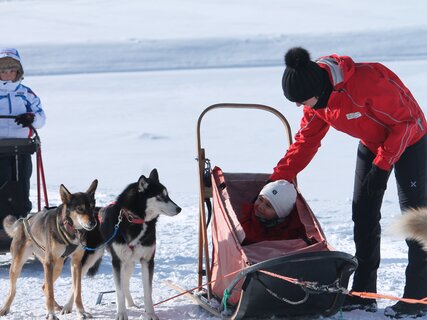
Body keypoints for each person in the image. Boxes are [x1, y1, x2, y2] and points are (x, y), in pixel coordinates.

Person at [268, 46, 427, 318]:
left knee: (415, 219)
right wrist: (278, 178)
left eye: (301, 100)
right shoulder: (317, 103)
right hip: (372, 143)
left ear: (317, 90)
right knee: (362, 214)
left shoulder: (366, 83)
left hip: (410, 141)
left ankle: (418, 298)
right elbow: (306, 142)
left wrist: (381, 167)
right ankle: (364, 293)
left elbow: (408, 122)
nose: (298, 106)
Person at [0, 48, 46, 227]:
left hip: (22, 146)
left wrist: (31, 118)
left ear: (18, 71)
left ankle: (21, 221)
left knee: (21, 182)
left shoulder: (26, 93)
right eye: (3, 71)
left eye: (12, 70)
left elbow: (41, 118)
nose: (8, 74)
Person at [240, 179, 304, 245]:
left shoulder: (290, 234)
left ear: (280, 214)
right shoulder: (243, 220)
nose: (260, 206)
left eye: (268, 205)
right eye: (260, 199)